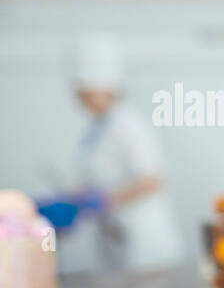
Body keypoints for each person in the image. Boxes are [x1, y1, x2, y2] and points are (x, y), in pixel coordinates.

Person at [40, 32, 185, 271]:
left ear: (105, 89)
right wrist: (74, 198)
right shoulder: (95, 129)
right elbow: (98, 179)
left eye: (85, 92)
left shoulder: (129, 124)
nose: (79, 98)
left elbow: (153, 180)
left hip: (144, 241)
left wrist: (103, 200)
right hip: (115, 237)